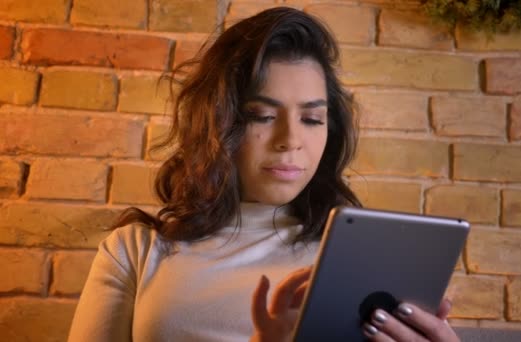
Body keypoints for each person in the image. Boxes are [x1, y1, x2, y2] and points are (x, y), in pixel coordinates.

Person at [68, 7, 459, 342]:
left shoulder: (365, 264)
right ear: (218, 123)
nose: (290, 140)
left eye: (311, 118)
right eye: (262, 116)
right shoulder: (134, 251)